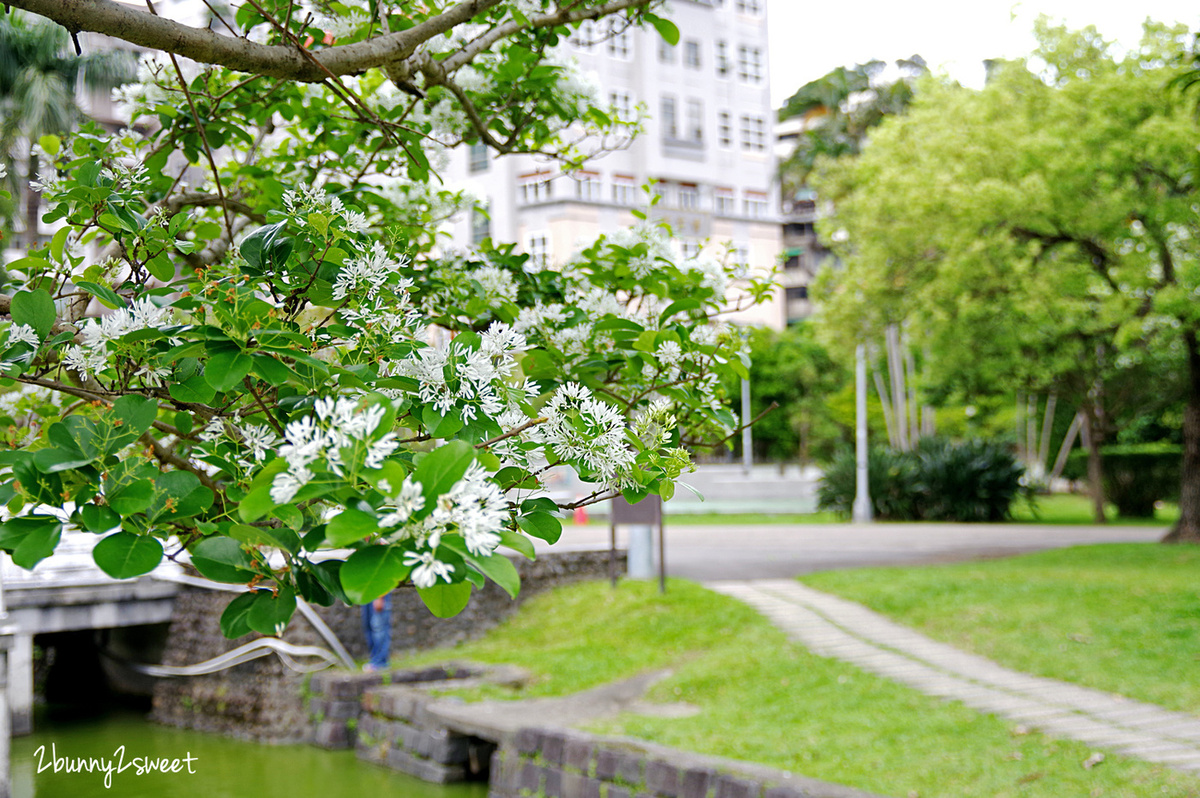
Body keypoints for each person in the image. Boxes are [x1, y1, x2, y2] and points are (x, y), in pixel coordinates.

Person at [361, 594, 391, 672]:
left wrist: (379, 597)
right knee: (369, 626)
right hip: (367, 592)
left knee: (379, 627)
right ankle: (374, 660)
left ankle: (380, 662)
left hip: (378, 592)